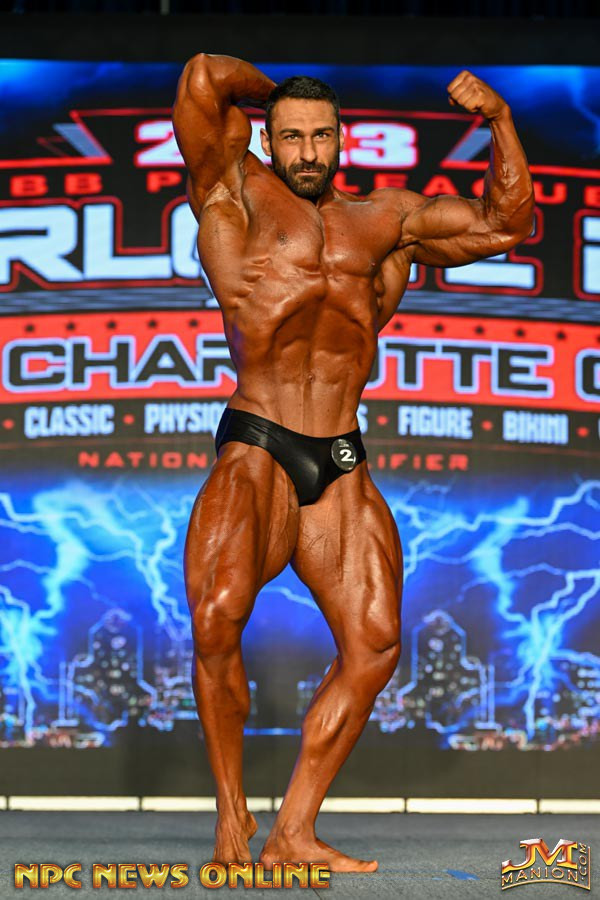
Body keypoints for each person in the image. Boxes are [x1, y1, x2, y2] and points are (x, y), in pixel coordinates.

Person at [173, 55, 534, 872]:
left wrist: (501, 121)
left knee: (375, 645)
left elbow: (507, 224)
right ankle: (231, 814)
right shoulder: (232, 188)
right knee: (217, 615)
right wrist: (276, 93)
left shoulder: (387, 220)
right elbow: (201, 78)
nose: (307, 151)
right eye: (291, 136)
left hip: (340, 453)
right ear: (270, 139)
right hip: (259, 440)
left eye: (320, 135)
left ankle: (293, 830)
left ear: (343, 140)